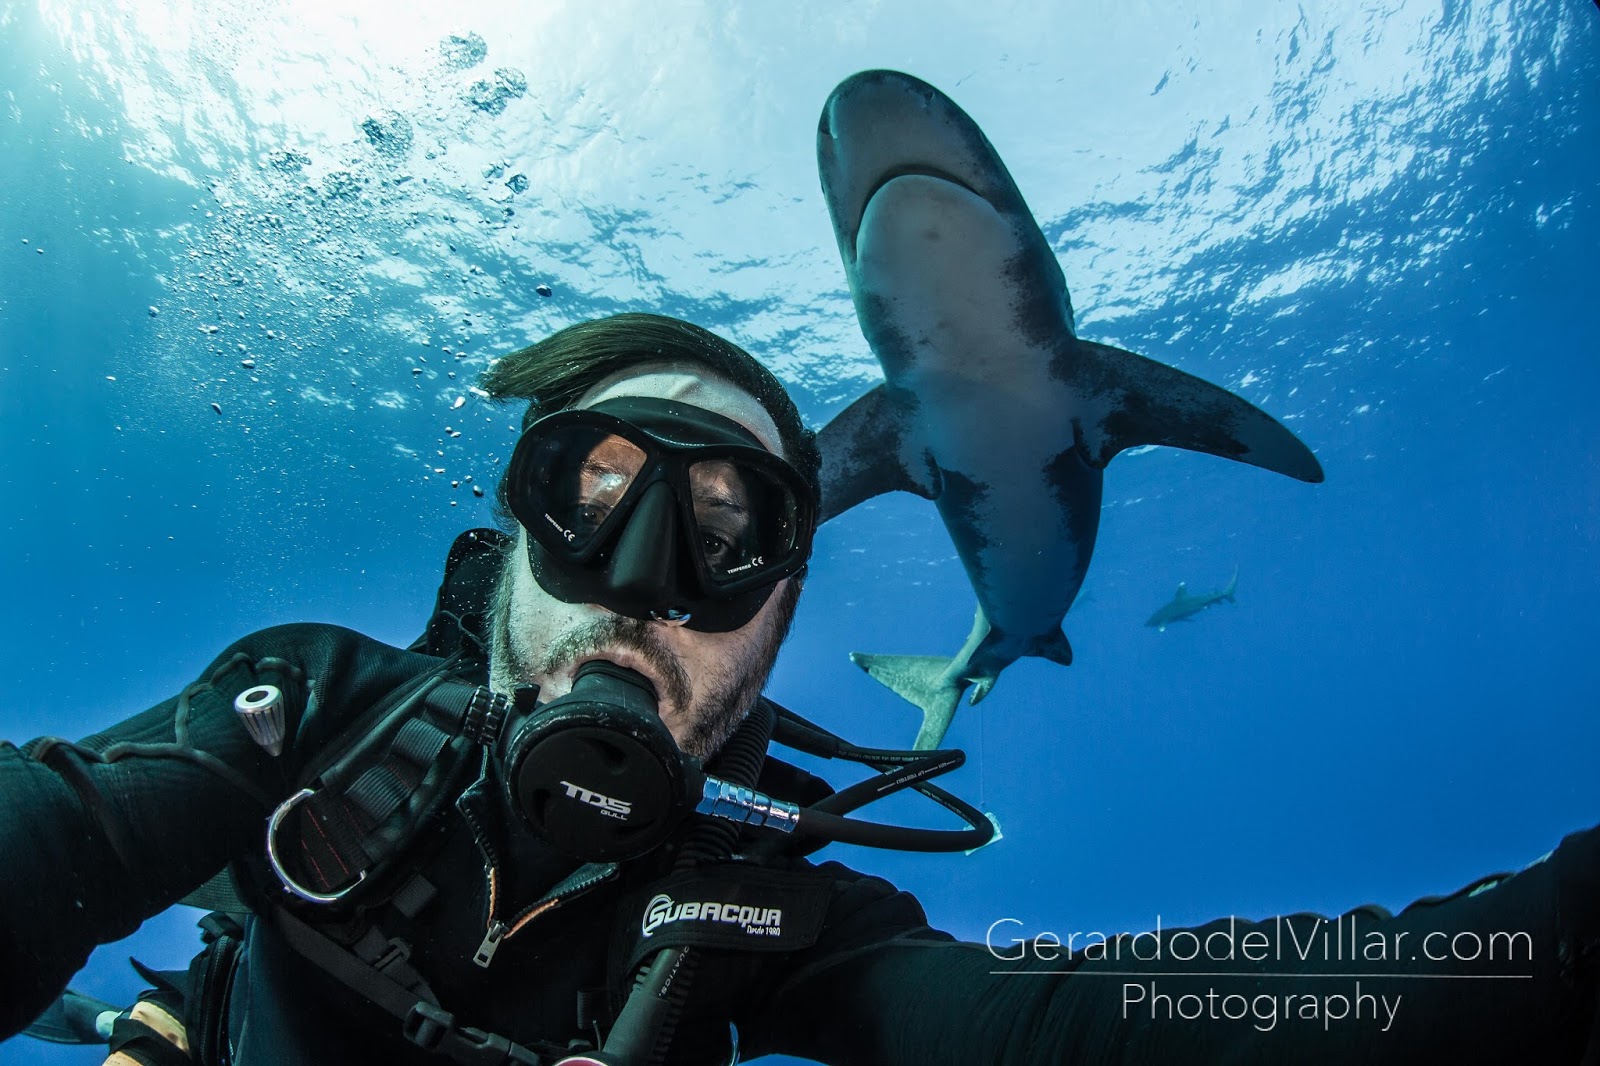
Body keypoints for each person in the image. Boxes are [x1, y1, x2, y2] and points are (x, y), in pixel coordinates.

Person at [2, 312, 1599, 1066]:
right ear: (512, 535)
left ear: (780, 616)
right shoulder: (311, 714)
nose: (640, 585)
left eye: (727, 534)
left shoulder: (762, 916)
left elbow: (1074, 1031)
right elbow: (49, 834)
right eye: (596, 490)